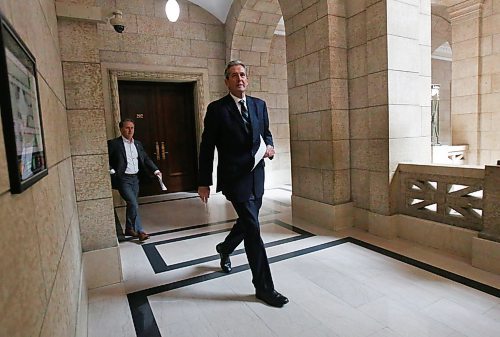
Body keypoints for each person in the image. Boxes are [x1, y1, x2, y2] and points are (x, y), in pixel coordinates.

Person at [197, 60, 289, 307]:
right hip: (234, 178)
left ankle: (225, 247)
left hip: (256, 176)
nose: (240, 78)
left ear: (247, 79)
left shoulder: (259, 105)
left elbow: (265, 133)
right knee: (253, 229)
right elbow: (207, 147)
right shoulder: (217, 109)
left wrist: (269, 146)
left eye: (243, 74)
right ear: (226, 81)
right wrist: (203, 181)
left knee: (247, 223)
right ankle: (264, 288)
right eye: (234, 75)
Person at [108, 119, 161, 242]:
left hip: (135, 179)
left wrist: (155, 170)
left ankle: (128, 228)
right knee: (133, 203)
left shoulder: (137, 144)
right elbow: (105, 158)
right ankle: (140, 231)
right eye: (127, 128)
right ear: (121, 129)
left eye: (132, 128)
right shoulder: (114, 144)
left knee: (132, 205)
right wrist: (112, 171)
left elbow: (146, 158)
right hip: (123, 179)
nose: (130, 130)